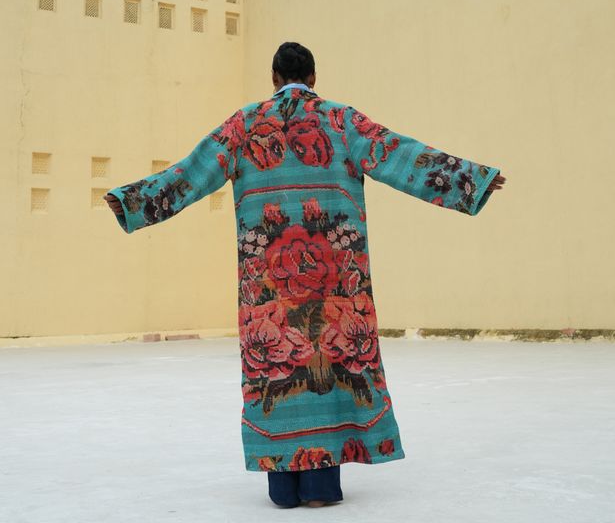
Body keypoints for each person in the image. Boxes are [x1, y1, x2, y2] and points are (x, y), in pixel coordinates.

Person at [104, 41, 506, 508]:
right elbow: (402, 156)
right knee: (329, 365)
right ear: (313, 78)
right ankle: (320, 489)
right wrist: (472, 179)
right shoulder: (342, 122)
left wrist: (131, 201)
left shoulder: (243, 126)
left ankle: (283, 490)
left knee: (275, 366)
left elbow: (189, 174)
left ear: (274, 79)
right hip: (335, 280)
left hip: (267, 286)